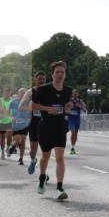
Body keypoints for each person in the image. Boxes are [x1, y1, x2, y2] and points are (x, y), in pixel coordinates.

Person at [31, 61, 73, 200]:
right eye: (57, 72)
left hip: (60, 126)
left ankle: (59, 187)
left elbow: (67, 107)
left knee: (60, 156)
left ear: (65, 74)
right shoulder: (43, 89)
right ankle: (42, 178)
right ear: (52, 74)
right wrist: (49, 109)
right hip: (45, 126)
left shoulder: (68, 91)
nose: (60, 74)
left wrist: (68, 108)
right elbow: (33, 106)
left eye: (62, 72)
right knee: (45, 156)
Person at [26, 71, 47, 174]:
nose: (42, 81)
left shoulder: (49, 91)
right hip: (33, 123)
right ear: (35, 80)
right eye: (40, 79)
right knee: (33, 150)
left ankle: (43, 173)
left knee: (45, 150)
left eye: (43, 79)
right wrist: (30, 106)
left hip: (45, 122)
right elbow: (21, 106)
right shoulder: (31, 92)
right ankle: (33, 160)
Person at [11, 88, 32, 166]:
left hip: (25, 124)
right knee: (18, 141)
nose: (23, 94)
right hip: (16, 124)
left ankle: (21, 158)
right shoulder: (13, 102)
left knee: (23, 141)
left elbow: (31, 112)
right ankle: (13, 146)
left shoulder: (28, 102)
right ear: (18, 93)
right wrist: (12, 118)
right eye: (21, 93)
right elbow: (8, 112)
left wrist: (29, 117)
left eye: (24, 93)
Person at [67, 89, 87, 155]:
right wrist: (69, 110)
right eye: (74, 93)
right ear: (72, 94)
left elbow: (85, 110)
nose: (75, 94)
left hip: (77, 120)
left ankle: (73, 147)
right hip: (71, 119)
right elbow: (65, 109)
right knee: (73, 132)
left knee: (75, 134)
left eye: (76, 93)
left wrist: (80, 107)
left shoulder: (80, 101)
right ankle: (72, 147)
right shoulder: (69, 101)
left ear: (78, 94)